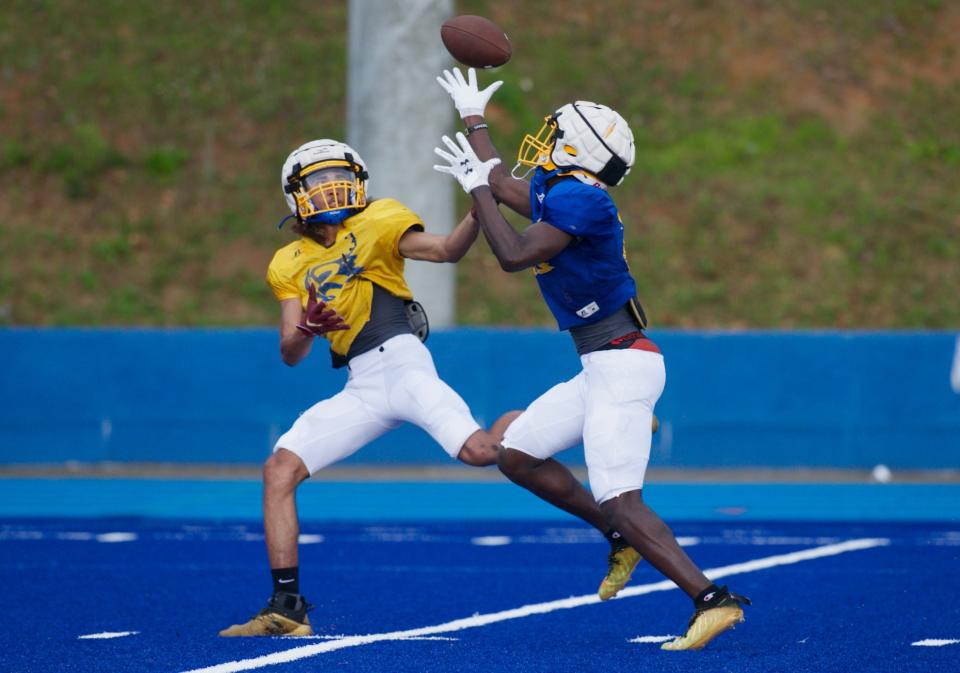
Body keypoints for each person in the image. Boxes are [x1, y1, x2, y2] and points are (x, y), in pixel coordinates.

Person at [434, 67, 751, 651]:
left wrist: (476, 186)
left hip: (621, 363)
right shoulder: (567, 192)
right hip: (601, 363)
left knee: (621, 497)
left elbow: (511, 253)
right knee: (517, 454)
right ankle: (618, 535)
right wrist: (474, 119)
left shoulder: (579, 198)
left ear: (578, 148)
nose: (544, 141)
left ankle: (712, 599)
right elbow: (504, 184)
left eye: (556, 134)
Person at [219, 138, 508, 637]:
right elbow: (290, 352)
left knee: (481, 451)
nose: (330, 187)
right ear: (295, 194)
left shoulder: (378, 220)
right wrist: (307, 327)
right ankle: (287, 607)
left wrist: (480, 202)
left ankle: (550, 417)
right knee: (279, 469)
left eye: (338, 177)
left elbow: (445, 250)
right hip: (361, 384)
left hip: (403, 363)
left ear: (358, 180)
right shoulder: (287, 261)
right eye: (317, 181)